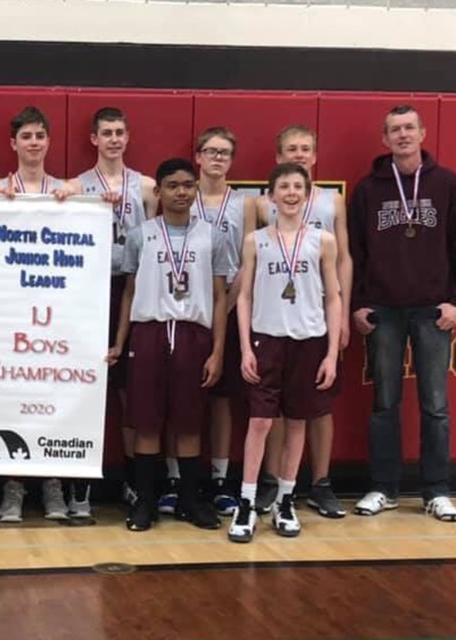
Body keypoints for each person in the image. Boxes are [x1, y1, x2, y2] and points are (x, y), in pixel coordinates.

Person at [349, 105, 456, 522]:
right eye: (394, 130)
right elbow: (356, 253)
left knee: (435, 405)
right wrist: (357, 304)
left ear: (422, 133)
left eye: (409, 128)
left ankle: (436, 491)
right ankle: (383, 488)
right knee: (385, 403)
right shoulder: (368, 190)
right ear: (384, 140)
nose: (402, 135)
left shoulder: (447, 184)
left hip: (433, 311)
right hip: (384, 310)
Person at [110, 158, 228, 532]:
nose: (181, 192)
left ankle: (190, 501)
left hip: (194, 333)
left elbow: (220, 296)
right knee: (146, 422)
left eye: (188, 185)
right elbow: (128, 293)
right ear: (157, 192)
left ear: (196, 190)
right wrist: (119, 343)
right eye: (173, 185)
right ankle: (145, 501)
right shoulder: (140, 234)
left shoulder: (213, 235)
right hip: (149, 332)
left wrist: (218, 350)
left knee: (189, 423)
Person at [229, 163, 341, 543]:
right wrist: (245, 346)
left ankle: (286, 499)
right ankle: (246, 502)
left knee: (297, 422)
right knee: (260, 423)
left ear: (307, 194)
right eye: (284, 186)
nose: (291, 193)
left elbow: (334, 296)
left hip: (308, 341)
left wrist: (330, 353)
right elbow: (243, 296)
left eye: (298, 186)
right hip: (266, 340)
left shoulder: (322, 240)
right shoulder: (256, 240)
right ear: (271, 195)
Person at [254, 125, 352, 519]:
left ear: (315, 156)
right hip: (278, 318)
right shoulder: (262, 204)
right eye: (290, 148)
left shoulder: (332, 202)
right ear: (278, 158)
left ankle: (322, 482)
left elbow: (344, 258)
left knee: (319, 404)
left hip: (318, 315)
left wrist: (340, 312)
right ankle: (273, 482)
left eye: (305, 148)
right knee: (276, 407)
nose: (298, 153)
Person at [68, 106, 157, 515]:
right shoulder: (76, 186)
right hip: (87, 289)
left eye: (120, 132)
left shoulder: (147, 187)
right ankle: (80, 483)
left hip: (133, 287)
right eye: (107, 132)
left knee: (129, 393)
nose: (114, 139)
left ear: (128, 136)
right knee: (83, 386)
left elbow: (159, 243)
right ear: (94, 139)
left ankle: (133, 482)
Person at [0, 106, 74, 522]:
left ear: (48, 141)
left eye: (41, 135)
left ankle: (52, 484)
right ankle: (14, 487)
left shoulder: (68, 189)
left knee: (52, 396)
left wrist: (83, 203)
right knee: (13, 400)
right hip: (9, 310)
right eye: (27, 136)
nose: (34, 143)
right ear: (14, 144)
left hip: (57, 307)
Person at [168, 127, 256, 519]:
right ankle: (174, 478)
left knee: (220, 399)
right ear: (198, 157)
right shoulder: (180, 194)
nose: (217, 159)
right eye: (210, 152)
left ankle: (220, 479)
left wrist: (226, 305)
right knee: (177, 396)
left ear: (231, 161)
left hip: (228, 305)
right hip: (184, 309)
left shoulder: (245, 204)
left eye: (225, 153)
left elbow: (247, 260)